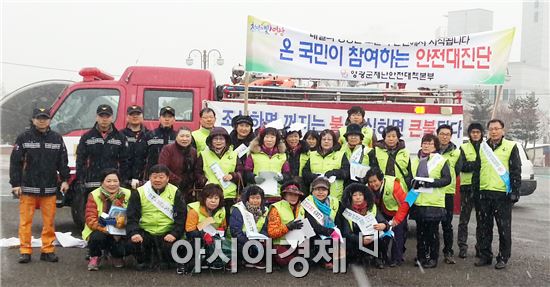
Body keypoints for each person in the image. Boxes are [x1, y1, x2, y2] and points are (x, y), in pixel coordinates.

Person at [10, 107, 70, 263]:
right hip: (28, 188)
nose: (42, 120)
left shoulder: (57, 138)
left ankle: (47, 250)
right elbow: (15, 162)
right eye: (39, 117)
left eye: (45, 117)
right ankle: (25, 251)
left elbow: (62, 161)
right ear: (33, 119)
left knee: (49, 222)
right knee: (25, 222)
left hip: (49, 189)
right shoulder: (24, 138)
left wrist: (64, 179)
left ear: (50, 120)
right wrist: (15, 183)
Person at [475, 119, 521, 270]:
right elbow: (477, 169)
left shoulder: (511, 146)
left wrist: (515, 191)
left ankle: (503, 257)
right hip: (485, 193)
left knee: (503, 228)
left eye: (496, 128)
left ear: (503, 130)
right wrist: (477, 191)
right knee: (484, 227)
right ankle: (485, 255)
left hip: (502, 195)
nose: (493, 131)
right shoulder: (482, 147)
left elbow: (515, 171)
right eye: (491, 129)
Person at [76, 104, 129, 226]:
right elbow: (81, 160)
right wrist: (80, 179)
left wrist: (123, 180)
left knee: (113, 213)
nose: (104, 119)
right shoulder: (87, 137)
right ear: (96, 117)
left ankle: (111, 237)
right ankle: (94, 235)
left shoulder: (120, 137)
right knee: (94, 213)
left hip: (113, 184)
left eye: (107, 116)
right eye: (101, 116)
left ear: (112, 118)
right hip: (92, 182)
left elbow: (125, 161)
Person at [126, 164, 186, 271]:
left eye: (161, 177)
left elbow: (181, 216)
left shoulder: (175, 191)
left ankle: (167, 261)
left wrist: (174, 233)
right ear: (149, 178)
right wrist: (134, 232)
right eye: (154, 176)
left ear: (168, 178)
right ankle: (143, 261)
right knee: (134, 242)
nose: (157, 180)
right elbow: (132, 216)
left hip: (167, 230)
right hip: (145, 230)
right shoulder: (140, 192)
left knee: (176, 246)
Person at [409, 134, 451, 269]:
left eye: (430, 144)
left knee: (432, 233)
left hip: (434, 202)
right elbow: (410, 177)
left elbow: (447, 180)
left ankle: (433, 258)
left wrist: (431, 183)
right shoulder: (415, 160)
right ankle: (421, 256)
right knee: (420, 233)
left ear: (435, 146)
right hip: (418, 201)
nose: (426, 146)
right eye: (424, 143)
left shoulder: (441, 160)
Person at [82, 169, 131, 271]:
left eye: (115, 181)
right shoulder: (94, 195)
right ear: (102, 183)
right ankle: (95, 256)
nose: (112, 184)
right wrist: (107, 229)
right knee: (97, 237)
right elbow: (90, 219)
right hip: (101, 229)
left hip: (121, 229)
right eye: (108, 181)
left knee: (131, 242)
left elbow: (133, 215)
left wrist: (119, 223)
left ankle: (117, 255)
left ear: (119, 182)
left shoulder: (128, 193)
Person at [365, 167, 409, 267]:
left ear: (381, 179)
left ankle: (396, 259)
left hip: (397, 211)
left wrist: (396, 220)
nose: (373, 184)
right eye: (370, 182)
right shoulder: (367, 187)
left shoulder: (394, 185)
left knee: (397, 235)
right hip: (382, 211)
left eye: (375, 181)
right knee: (381, 234)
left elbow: (405, 204)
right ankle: (381, 257)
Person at [339, 182, 388, 268]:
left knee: (384, 237)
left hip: (372, 237)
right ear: (351, 197)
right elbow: (346, 232)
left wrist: (383, 225)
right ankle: (356, 257)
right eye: (355, 195)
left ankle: (378, 257)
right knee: (348, 241)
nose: (358, 197)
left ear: (364, 196)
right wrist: (360, 239)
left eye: (360, 195)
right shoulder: (347, 211)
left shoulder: (372, 207)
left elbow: (383, 221)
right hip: (356, 239)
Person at [196, 127, 241, 220]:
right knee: (210, 224)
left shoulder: (234, 154)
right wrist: (204, 182)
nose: (218, 141)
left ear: (226, 141)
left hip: (229, 196)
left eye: (221, 139)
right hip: (210, 197)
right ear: (211, 141)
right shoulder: (203, 154)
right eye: (215, 139)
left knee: (227, 224)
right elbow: (197, 173)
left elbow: (241, 172)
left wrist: (232, 176)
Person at [185, 183, 229, 272]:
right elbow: (189, 232)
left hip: (214, 237)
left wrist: (221, 230)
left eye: (216, 198)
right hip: (196, 239)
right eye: (210, 198)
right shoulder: (194, 210)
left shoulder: (222, 210)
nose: (213, 201)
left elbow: (223, 226)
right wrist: (203, 235)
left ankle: (215, 261)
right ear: (204, 198)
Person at [302, 177, 343, 269]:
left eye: (323, 189)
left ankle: (329, 258)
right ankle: (323, 260)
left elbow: (338, 221)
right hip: (312, 233)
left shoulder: (334, 202)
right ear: (312, 191)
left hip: (329, 229)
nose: (320, 192)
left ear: (328, 191)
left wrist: (337, 232)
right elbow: (312, 225)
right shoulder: (308, 203)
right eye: (317, 189)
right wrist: (330, 231)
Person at [457, 123, 484, 259]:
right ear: (469, 133)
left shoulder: (487, 148)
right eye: (473, 132)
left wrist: (473, 164)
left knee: (481, 220)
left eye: (478, 132)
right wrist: (477, 164)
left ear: (481, 134)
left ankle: (480, 247)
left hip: (482, 188)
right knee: (464, 220)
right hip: (467, 188)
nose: (475, 134)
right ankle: (462, 246)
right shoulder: (463, 147)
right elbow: (463, 166)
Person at [243, 127, 290, 204]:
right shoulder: (253, 154)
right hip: (257, 195)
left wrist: (282, 177)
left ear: (276, 139)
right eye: (267, 137)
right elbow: (246, 173)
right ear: (262, 138)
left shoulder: (283, 155)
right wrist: (254, 178)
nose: (269, 140)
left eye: (272, 137)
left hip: (276, 195)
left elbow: (287, 174)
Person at [436, 124, 462, 264]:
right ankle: (431, 252)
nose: (444, 136)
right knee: (432, 224)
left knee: (447, 224)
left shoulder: (456, 153)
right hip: (433, 193)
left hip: (447, 193)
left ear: (451, 136)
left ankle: (448, 252)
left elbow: (456, 171)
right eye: (442, 133)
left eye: (447, 134)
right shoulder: (432, 151)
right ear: (437, 135)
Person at [302, 129, 349, 201]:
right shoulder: (312, 155)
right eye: (324, 139)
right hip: (315, 196)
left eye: (329, 139)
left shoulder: (340, 154)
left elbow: (346, 172)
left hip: (334, 197)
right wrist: (314, 176)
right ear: (320, 141)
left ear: (334, 141)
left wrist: (334, 173)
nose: (326, 141)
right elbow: (305, 172)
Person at [267, 181, 305, 267]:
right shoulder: (276, 208)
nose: (293, 197)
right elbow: (271, 232)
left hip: (298, 242)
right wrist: (288, 226)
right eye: (290, 194)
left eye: (296, 195)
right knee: (284, 261)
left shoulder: (301, 208)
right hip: (281, 243)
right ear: (284, 195)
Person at [229, 185, 268, 269]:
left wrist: (260, 239)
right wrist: (248, 242)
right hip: (240, 240)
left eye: (258, 198)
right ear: (247, 198)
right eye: (252, 198)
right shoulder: (239, 209)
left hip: (257, 239)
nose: (255, 201)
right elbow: (235, 232)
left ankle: (254, 259)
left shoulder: (265, 210)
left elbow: (266, 228)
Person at [158, 127, 200, 203]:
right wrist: (178, 181)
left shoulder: (193, 152)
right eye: (182, 136)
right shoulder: (168, 149)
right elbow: (163, 168)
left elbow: (195, 170)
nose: (184, 139)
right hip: (170, 187)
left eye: (187, 136)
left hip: (188, 190)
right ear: (176, 137)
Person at [140, 106, 176, 177]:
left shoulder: (178, 137)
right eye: (164, 116)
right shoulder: (149, 135)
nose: (167, 119)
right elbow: (141, 157)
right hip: (152, 175)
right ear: (159, 119)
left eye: (170, 117)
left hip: (172, 176)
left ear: (174, 119)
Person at [373, 126, 412, 192]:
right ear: (384, 138)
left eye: (394, 136)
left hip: (400, 189)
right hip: (381, 189)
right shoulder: (376, 151)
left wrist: (410, 199)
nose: (391, 139)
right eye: (388, 136)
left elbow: (410, 174)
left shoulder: (405, 152)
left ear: (398, 138)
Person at [121, 105, 149, 189]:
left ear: (142, 117)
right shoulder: (119, 135)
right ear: (127, 117)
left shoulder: (150, 135)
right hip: (123, 179)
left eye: (138, 114)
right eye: (132, 114)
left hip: (144, 179)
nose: (135, 116)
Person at [283, 125, 310, 195]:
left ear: (299, 137)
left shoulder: (306, 151)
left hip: (303, 185)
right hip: (285, 184)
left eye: (295, 136)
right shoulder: (282, 152)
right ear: (286, 138)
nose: (293, 139)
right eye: (290, 136)